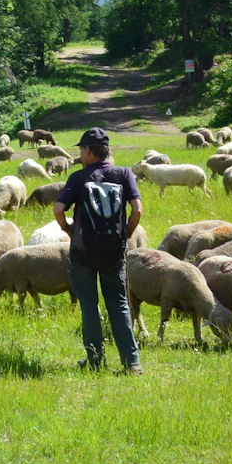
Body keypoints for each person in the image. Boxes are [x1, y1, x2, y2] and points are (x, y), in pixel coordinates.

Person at [52, 127, 143, 373]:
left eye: (81, 149)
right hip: (114, 250)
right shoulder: (123, 174)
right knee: (119, 303)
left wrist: (68, 230)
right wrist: (126, 234)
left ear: (89, 151)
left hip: (83, 252)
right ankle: (131, 362)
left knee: (89, 304)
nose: (81, 155)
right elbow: (137, 210)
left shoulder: (78, 178)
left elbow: (59, 210)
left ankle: (94, 359)